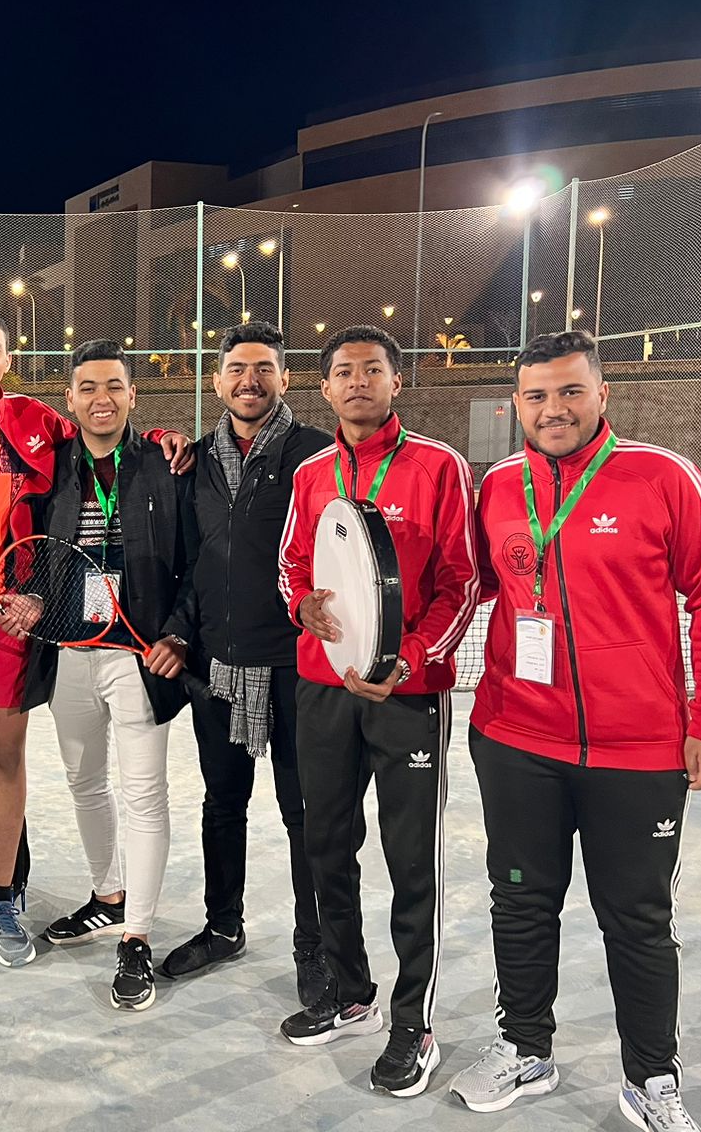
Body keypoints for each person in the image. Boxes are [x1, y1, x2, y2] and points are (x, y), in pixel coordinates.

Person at [449, 331, 701, 1130]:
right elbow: (468, 585)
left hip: (638, 753)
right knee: (519, 901)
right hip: (516, 739)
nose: (554, 409)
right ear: (517, 406)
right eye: (537, 396)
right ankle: (525, 1047)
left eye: (570, 391)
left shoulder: (661, 476)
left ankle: (650, 1078)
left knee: (638, 920)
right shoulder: (498, 486)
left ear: (602, 394)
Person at [0, 311, 189, 967]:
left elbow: (102, 431)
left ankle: (3, 896)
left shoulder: (37, 421)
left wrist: (161, 436)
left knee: (6, 756)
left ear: (9, 360)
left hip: (13, 618)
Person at [276, 324, 479, 1099]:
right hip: (323, 687)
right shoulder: (312, 473)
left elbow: (463, 582)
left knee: (410, 860)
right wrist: (303, 607)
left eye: (372, 370)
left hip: (408, 696)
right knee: (327, 843)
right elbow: (293, 564)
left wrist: (412, 658)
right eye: (343, 371)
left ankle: (413, 1022)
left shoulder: (439, 466)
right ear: (323, 387)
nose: (357, 381)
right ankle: (347, 989)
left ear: (398, 381)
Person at [156, 322, 335, 1008]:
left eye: (263, 369)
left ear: (286, 379)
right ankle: (223, 928)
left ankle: (313, 948)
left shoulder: (316, 455)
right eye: (236, 369)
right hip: (218, 667)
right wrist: (180, 630)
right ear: (217, 380)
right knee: (223, 806)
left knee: (303, 815)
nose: (249, 381)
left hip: (294, 666)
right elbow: (192, 562)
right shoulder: (196, 460)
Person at [11, 340, 192, 1010]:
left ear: (132, 394)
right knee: (85, 784)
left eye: (114, 385)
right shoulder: (53, 469)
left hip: (139, 658)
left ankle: (136, 937)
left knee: (144, 795)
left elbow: (194, 561)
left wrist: (177, 633)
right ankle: (107, 896)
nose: (101, 399)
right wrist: (33, 599)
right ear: (70, 399)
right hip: (70, 652)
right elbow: (39, 557)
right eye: (87, 387)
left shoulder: (165, 464)